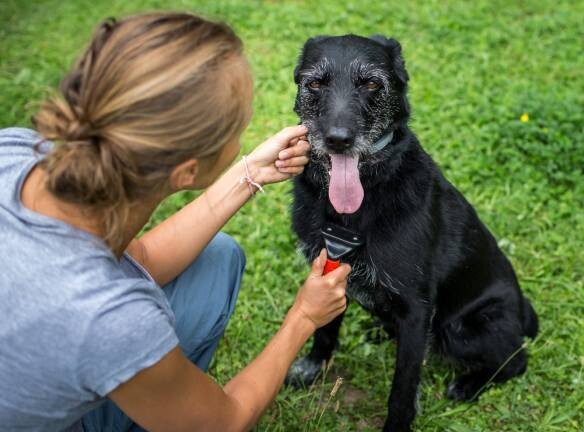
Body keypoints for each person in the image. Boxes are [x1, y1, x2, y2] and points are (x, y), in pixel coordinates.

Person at [0, 12, 350, 432]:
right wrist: (304, 317)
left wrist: (249, 174)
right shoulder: (112, 320)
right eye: (238, 126)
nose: (242, 132)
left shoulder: (18, 151)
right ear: (186, 172)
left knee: (217, 257)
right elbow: (224, 422)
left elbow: (135, 259)